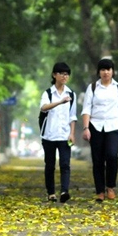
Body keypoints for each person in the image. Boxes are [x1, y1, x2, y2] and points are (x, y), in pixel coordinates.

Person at [81, 58, 118, 201]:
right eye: (103, 69)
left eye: (108, 69)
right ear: (99, 72)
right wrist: (86, 128)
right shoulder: (93, 87)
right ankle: (100, 191)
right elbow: (86, 109)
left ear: (113, 72)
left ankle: (111, 187)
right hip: (95, 126)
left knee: (112, 156)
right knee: (98, 160)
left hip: (114, 127)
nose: (105, 72)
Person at [39, 62, 77, 203]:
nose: (64, 76)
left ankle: (64, 191)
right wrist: (60, 102)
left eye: (67, 74)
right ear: (54, 75)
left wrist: (72, 133)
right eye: (61, 73)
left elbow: (73, 116)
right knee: (50, 165)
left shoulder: (71, 94)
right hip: (49, 135)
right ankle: (51, 193)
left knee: (65, 164)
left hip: (64, 134)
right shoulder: (48, 93)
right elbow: (43, 108)